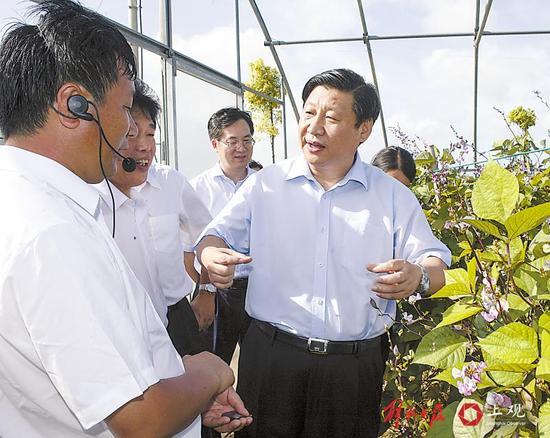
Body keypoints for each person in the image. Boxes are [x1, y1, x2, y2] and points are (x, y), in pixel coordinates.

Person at [0, 1, 251, 437]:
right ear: (74, 105)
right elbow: (140, 420)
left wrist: (186, 395)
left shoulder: (23, 197)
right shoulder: (53, 232)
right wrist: (209, 372)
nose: (129, 134)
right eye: (125, 110)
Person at [196, 68, 451, 437]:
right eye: (309, 113)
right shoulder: (265, 185)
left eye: (330, 117)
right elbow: (213, 235)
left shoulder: (392, 196)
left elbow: (436, 264)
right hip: (271, 360)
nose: (314, 128)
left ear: (363, 130)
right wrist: (212, 256)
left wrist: (419, 276)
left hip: (351, 370)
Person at [95, 78, 214, 357]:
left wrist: (207, 290)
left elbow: (209, 233)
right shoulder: (91, 199)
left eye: (150, 135)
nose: (144, 146)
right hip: (122, 328)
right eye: (131, 135)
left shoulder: (171, 182)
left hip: (176, 316)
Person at [190, 107, 256, 365]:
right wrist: (206, 291)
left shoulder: (265, 185)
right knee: (214, 366)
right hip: (217, 292)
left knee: (258, 366)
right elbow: (188, 250)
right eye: (232, 141)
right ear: (215, 143)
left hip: (258, 290)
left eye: (247, 140)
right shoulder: (197, 189)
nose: (241, 148)